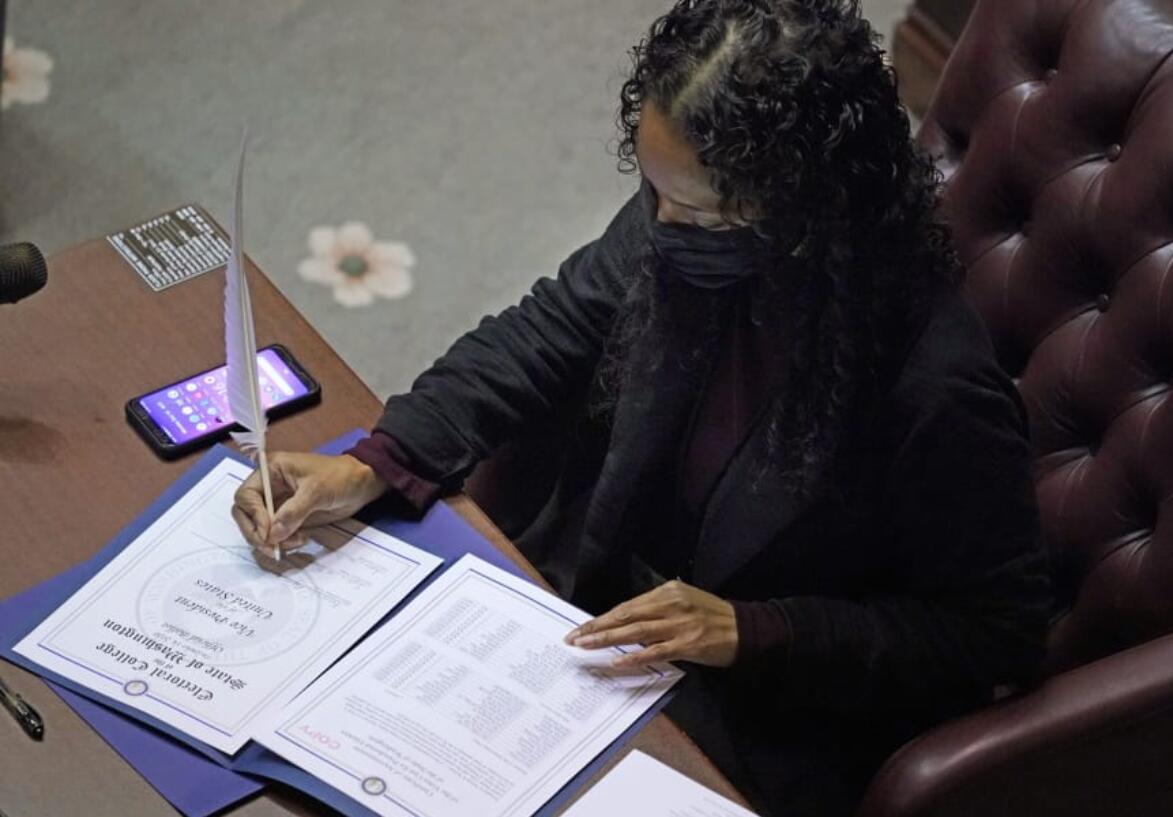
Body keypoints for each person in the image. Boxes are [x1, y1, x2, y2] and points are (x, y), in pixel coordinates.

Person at [233, 1, 1051, 814]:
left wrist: (753, 629)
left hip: (760, 712)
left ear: (804, 216)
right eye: (653, 194)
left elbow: (991, 633)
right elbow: (546, 329)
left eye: (694, 213)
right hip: (599, 621)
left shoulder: (935, 390)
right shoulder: (682, 227)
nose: (659, 228)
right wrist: (376, 460)